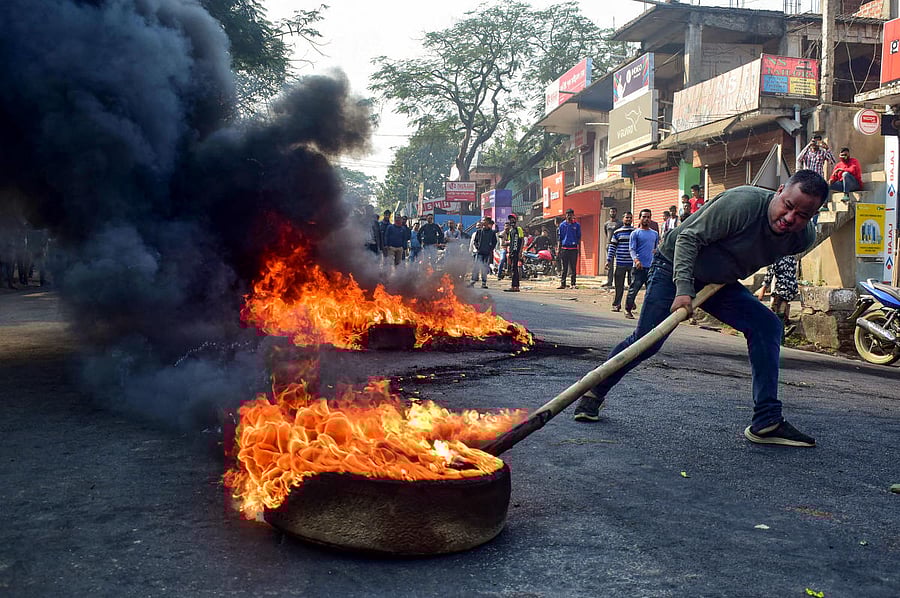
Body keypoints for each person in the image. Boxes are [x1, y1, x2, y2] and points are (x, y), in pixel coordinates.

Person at [573, 170, 829, 449]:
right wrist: (683, 289)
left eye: (802, 215)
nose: (791, 218)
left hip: (719, 283)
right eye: (788, 206)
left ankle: (766, 420)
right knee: (648, 341)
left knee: (767, 325)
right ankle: (594, 391)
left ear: (813, 215)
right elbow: (687, 239)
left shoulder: (802, 237)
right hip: (674, 265)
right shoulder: (743, 203)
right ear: (780, 191)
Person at [623, 209, 659, 319]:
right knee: (634, 289)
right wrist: (636, 260)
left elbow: (656, 248)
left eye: (648, 217)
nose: (646, 219)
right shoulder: (635, 233)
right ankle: (628, 309)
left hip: (651, 267)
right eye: (644, 217)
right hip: (639, 267)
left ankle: (649, 313)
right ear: (640, 218)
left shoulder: (655, 234)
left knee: (651, 292)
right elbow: (632, 249)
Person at [757, 255, 799, 338]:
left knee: (776, 310)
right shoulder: (791, 258)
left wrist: (762, 292)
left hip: (782, 289)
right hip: (792, 288)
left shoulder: (776, 259)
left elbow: (768, 277)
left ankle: (784, 329)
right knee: (782, 307)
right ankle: (786, 324)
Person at [607, 211, 635, 313]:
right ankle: (616, 304)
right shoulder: (617, 232)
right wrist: (609, 260)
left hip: (632, 264)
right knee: (619, 286)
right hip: (620, 263)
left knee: (632, 286)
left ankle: (630, 303)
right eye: (626, 217)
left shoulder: (635, 232)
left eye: (630, 218)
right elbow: (612, 246)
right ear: (623, 219)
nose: (628, 219)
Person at [469, 217, 497, 288]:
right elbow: (475, 241)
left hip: (487, 253)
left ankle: (484, 283)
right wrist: (477, 247)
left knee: (484, 268)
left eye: (484, 220)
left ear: (487, 222)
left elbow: (494, 242)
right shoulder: (479, 231)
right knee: (476, 267)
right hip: (479, 252)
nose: (482, 221)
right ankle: (472, 281)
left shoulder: (492, 232)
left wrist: (490, 249)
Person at [557, 208, 581, 289]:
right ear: (565, 215)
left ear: (573, 215)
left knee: (573, 267)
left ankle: (573, 284)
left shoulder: (577, 225)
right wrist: (558, 249)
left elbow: (579, 237)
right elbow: (560, 238)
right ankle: (563, 284)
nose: (569, 216)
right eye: (567, 214)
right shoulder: (562, 225)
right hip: (564, 248)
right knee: (564, 267)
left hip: (573, 249)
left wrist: (579, 249)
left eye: (570, 214)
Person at [503, 214, 524, 292]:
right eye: (510, 219)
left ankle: (514, 286)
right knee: (513, 269)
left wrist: (520, 252)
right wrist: (505, 243)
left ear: (516, 220)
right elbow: (510, 241)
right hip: (511, 252)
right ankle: (515, 286)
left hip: (516, 252)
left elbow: (521, 240)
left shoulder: (519, 229)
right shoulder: (511, 231)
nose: (511, 220)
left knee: (514, 269)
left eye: (513, 219)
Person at [602, 208, 622, 288]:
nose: (612, 213)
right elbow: (606, 234)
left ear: (616, 212)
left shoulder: (620, 223)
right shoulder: (606, 224)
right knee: (609, 264)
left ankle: (619, 282)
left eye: (614, 211)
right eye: (611, 211)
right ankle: (609, 281)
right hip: (609, 245)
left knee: (619, 264)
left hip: (618, 245)